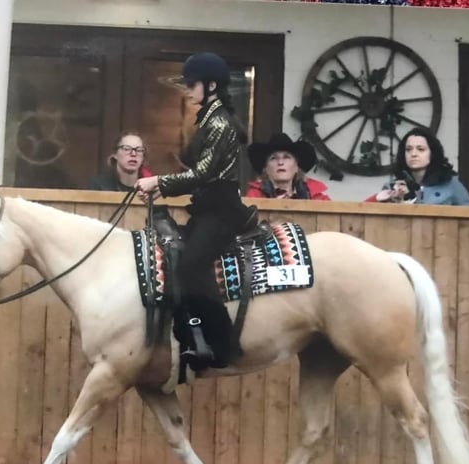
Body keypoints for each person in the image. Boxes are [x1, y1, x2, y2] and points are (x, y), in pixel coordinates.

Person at [134, 52, 251, 370]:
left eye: (192, 83)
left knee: (189, 267)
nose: (187, 89)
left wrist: (159, 181)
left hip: (221, 211)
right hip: (208, 208)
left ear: (211, 85)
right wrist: (161, 188)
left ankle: (222, 346)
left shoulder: (219, 124)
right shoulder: (210, 119)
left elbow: (202, 174)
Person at [365, 126, 469, 206]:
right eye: (408, 149)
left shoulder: (451, 184)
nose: (413, 154)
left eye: (420, 149)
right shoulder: (392, 187)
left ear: (432, 153)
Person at [245, 133, 330, 200]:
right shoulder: (253, 197)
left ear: (297, 167)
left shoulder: (317, 198)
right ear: (265, 169)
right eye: (273, 158)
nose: (280, 162)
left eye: (286, 157)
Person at [89, 131, 153, 192]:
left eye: (139, 150)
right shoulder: (99, 186)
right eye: (126, 149)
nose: (133, 154)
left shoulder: (152, 187)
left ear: (143, 156)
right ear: (115, 154)